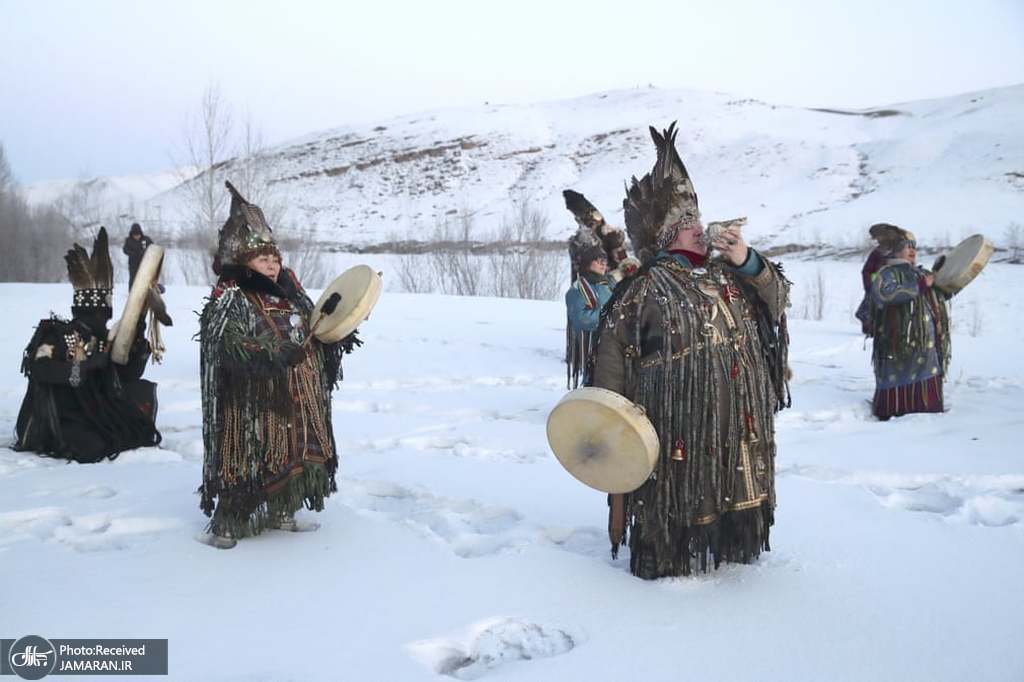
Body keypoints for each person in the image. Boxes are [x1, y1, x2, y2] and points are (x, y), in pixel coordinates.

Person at [589, 123, 791, 579]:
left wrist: (747, 260)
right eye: (689, 225)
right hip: (678, 430)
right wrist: (609, 430)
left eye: (699, 221)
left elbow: (777, 299)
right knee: (682, 495)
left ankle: (734, 552)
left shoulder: (730, 274)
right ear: (663, 237)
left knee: (737, 489)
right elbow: (611, 363)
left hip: (740, 421)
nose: (701, 230)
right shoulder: (639, 291)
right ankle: (669, 564)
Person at [198, 181, 360, 549]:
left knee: (295, 454)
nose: (271, 265)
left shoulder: (292, 295)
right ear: (244, 262)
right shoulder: (232, 299)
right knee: (249, 459)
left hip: (299, 394)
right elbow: (228, 344)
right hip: (254, 401)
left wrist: (340, 334)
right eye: (262, 259)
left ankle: (282, 511)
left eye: (274, 259)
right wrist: (272, 353)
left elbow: (315, 330)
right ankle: (228, 524)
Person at [14, 228, 161, 463]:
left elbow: (126, 375)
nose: (102, 319)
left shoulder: (105, 337)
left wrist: (136, 346)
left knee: (135, 427)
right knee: (94, 445)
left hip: (92, 408)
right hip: (58, 416)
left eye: (105, 314)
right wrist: (85, 367)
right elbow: (41, 369)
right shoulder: (55, 334)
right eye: (98, 313)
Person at [868, 227, 950, 420]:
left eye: (915, 247)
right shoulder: (886, 273)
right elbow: (885, 294)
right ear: (895, 251)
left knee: (928, 370)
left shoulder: (922, 273)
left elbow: (941, 294)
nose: (912, 251)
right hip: (897, 341)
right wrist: (921, 285)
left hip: (925, 343)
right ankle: (893, 409)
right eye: (907, 247)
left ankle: (928, 408)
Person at [122, 223, 153, 287]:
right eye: (135, 235)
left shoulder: (146, 239)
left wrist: (145, 252)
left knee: (145, 280)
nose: (137, 237)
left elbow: (152, 247)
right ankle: (131, 294)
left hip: (145, 264)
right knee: (133, 280)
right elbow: (125, 250)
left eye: (138, 235)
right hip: (133, 265)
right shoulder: (128, 240)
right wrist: (132, 253)